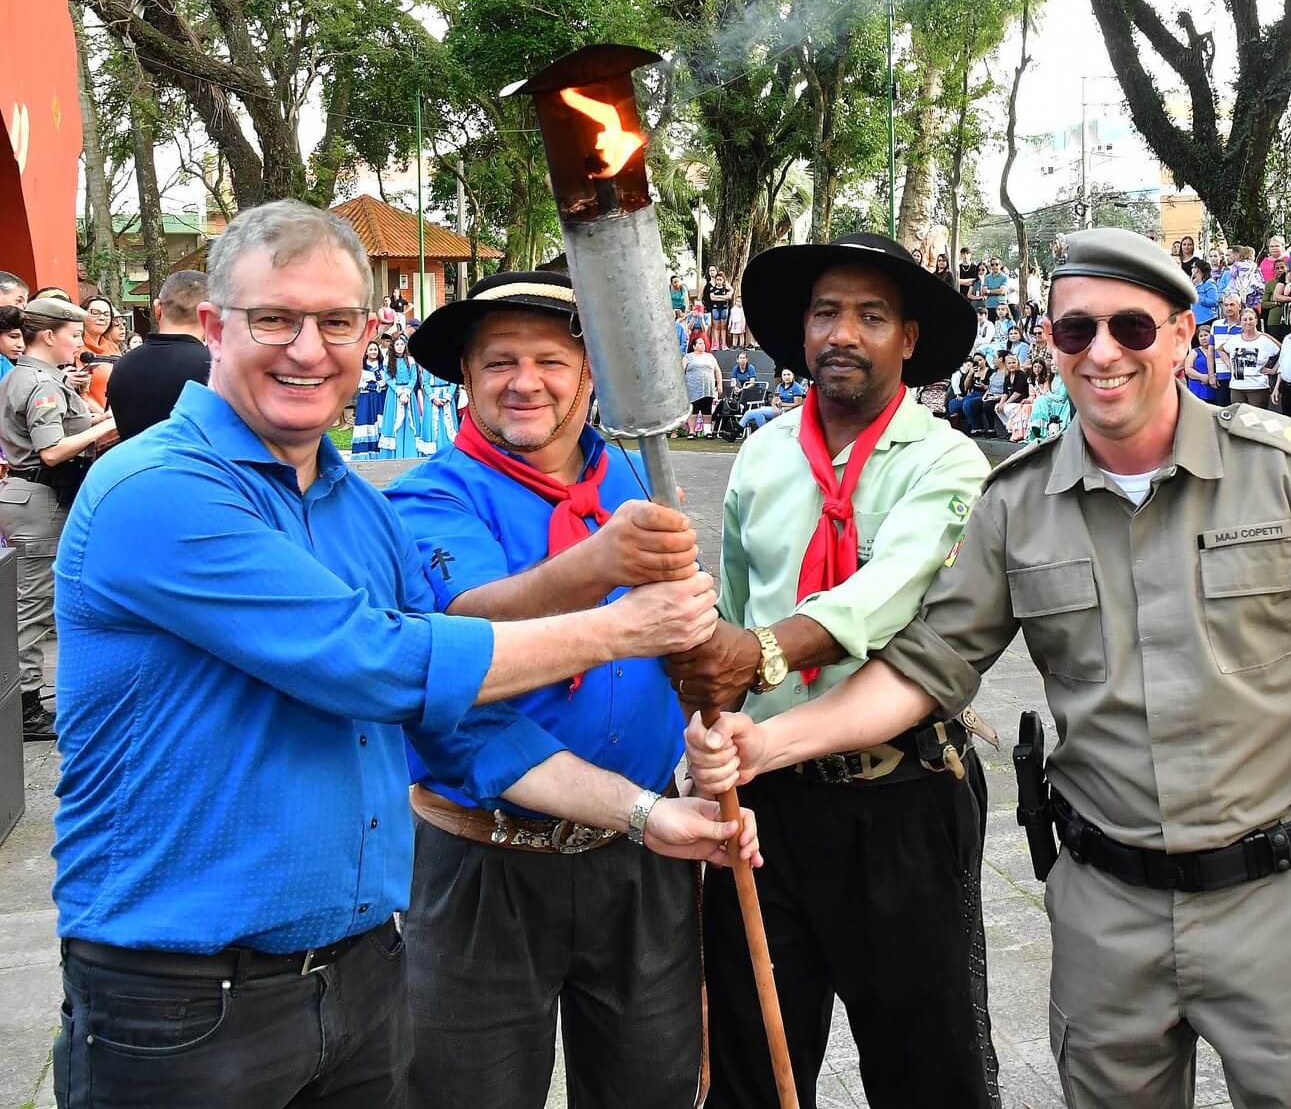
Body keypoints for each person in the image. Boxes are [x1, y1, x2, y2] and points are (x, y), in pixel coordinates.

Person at [688, 227, 1291, 1109]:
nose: (1102, 353)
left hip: (1274, 901)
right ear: (1050, 342)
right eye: (1075, 330)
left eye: (1131, 328)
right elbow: (923, 670)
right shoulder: (1017, 504)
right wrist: (767, 745)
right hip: (1105, 911)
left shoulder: (1282, 471)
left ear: (1182, 334)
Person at [50, 201, 751, 1109]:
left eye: (337, 322)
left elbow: (460, 724)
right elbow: (373, 662)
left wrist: (647, 815)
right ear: (214, 328)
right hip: (186, 1001)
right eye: (276, 319)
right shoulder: (157, 489)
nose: (309, 350)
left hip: (356, 977)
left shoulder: (358, 512)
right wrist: (622, 624)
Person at [377, 269, 741, 1107]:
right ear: (465, 375)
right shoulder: (428, 498)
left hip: (643, 854)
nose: (525, 382)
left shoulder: (636, 480)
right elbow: (468, 622)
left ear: (589, 375)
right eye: (499, 362)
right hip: (484, 860)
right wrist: (599, 566)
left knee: (652, 1089)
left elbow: (684, 640)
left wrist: (711, 704)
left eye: (550, 360)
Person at [656, 230, 994, 1109]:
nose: (843, 333)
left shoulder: (949, 462)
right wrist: (708, 699)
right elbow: (733, 612)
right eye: (825, 313)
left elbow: (888, 592)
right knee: (753, 1064)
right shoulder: (763, 454)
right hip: (766, 802)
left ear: (908, 339)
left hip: (902, 800)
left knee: (928, 1073)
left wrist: (760, 651)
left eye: (871, 316)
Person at [1, 297, 120, 741]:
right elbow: (51, 451)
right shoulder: (40, 383)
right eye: (73, 335)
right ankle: (25, 705)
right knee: (32, 605)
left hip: (34, 496)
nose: (77, 344)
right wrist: (105, 427)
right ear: (49, 336)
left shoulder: (32, 376)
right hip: (40, 498)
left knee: (35, 601)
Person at [104, 270, 211, 440]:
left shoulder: (122, 366)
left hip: (131, 456)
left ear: (158, 308)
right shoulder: (216, 369)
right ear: (209, 315)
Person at [376, 333, 427, 458]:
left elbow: (414, 377)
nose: (400, 346)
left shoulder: (410, 360)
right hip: (394, 394)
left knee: (410, 421)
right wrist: (399, 392)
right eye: (397, 344)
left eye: (402, 344)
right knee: (394, 421)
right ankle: (394, 453)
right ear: (393, 346)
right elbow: (388, 378)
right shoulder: (388, 361)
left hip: (409, 394)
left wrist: (407, 392)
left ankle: (410, 452)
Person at [1224, 311, 1280, 409]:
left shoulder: (1264, 340)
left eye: (1251, 319)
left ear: (1256, 321)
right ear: (1240, 322)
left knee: (1256, 416)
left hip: (1258, 387)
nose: (1248, 322)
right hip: (1237, 387)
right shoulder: (1235, 339)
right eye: (1244, 320)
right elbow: (1221, 350)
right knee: (1238, 416)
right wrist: (1230, 366)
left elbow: (1284, 352)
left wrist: (1273, 370)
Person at [350, 337, 388, 456]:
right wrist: (370, 385)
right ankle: (365, 452)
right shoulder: (361, 367)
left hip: (379, 398)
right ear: (366, 352)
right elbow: (358, 383)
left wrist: (377, 378)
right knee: (366, 420)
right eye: (371, 349)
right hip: (366, 398)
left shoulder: (383, 366)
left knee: (380, 421)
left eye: (375, 349)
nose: (373, 352)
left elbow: (384, 382)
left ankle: (380, 452)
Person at [744, 367, 808, 434]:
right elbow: (774, 400)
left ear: (793, 375)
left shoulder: (796, 387)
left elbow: (798, 404)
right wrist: (774, 407)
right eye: (784, 375)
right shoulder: (779, 386)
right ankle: (767, 433)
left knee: (751, 413)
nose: (786, 377)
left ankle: (740, 429)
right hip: (777, 409)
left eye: (788, 374)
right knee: (756, 414)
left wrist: (782, 404)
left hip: (787, 410)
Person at [683, 333, 723, 438]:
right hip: (692, 388)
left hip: (708, 388)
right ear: (694, 346)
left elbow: (717, 370)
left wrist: (719, 384)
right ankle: (692, 431)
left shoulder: (710, 356)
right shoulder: (688, 357)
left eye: (703, 343)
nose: (703, 345)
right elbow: (682, 371)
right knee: (693, 410)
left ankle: (707, 431)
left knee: (707, 410)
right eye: (700, 343)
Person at [702, 266, 735, 351]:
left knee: (723, 326)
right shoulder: (710, 286)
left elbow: (729, 295)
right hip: (713, 307)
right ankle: (715, 344)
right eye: (710, 270)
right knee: (714, 326)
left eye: (713, 270)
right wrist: (723, 297)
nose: (712, 272)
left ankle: (723, 344)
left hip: (724, 308)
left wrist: (721, 297)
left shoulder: (725, 286)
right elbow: (712, 297)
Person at [1190, 257, 1220, 326]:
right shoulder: (1194, 282)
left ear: (1198, 269)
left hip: (1207, 320)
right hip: (1195, 320)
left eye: (1193, 267)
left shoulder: (1209, 283)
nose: (1192, 269)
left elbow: (1214, 302)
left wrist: (1198, 298)